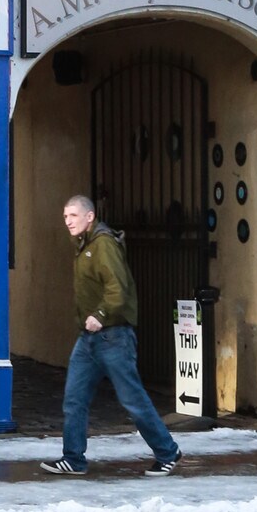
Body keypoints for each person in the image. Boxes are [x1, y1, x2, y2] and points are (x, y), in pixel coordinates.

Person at [41, 193, 182, 478]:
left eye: (73, 216)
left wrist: (101, 315)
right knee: (74, 398)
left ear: (89, 216)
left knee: (132, 399)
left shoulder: (103, 245)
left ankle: (167, 452)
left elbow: (118, 288)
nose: (67, 222)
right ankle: (73, 459)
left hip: (113, 336)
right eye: (65, 217)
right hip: (89, 338)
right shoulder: (84, 246)